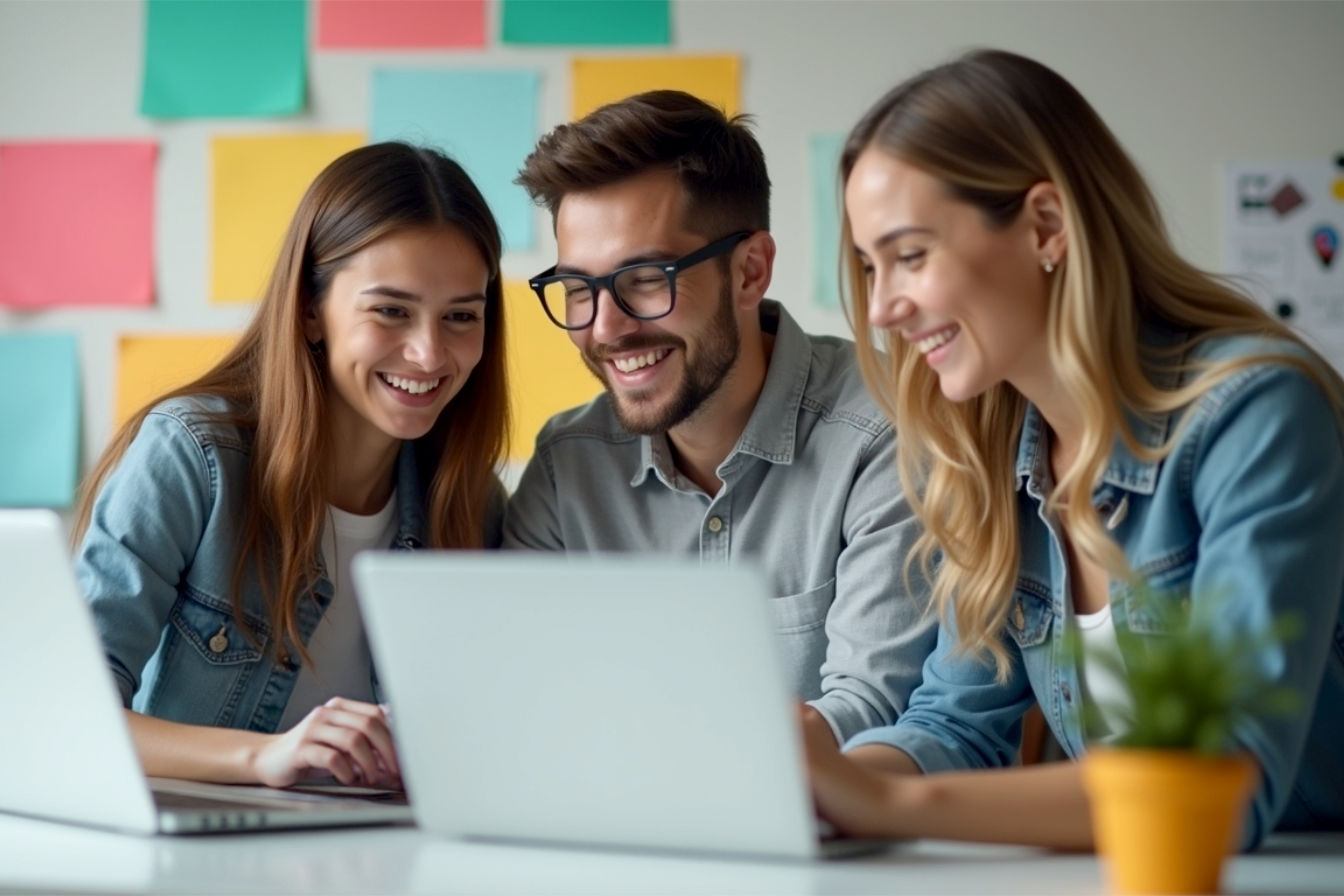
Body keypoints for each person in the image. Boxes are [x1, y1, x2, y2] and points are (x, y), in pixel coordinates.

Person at [805, 48, 1344, 849]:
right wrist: (822, 786)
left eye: (910, 255)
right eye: (868, 266)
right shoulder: (992, 455)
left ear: (1046, 227)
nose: (881, 309)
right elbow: (954, 723)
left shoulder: (1254, 411)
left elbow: (1222, 779)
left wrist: (891, 808)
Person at [72, 142, 509, 789]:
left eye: (461, 317)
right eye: (391, 310)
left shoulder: (473, 503)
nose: (428, 353)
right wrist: (264, 756)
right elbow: (67, 714)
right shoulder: (192, 456)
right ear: (311, 310)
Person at [505, 90, 936, 745]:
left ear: (750, 270)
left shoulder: (885, 432)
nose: (605, 327)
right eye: (577, 289)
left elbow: (874, 711)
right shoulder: (569, 466)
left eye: (645, 278)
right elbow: (518, 692)